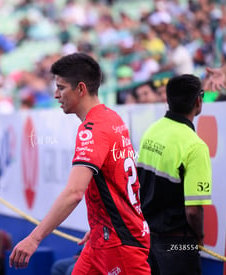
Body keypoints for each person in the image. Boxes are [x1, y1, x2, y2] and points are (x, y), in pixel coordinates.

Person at [9, 53, 151, 274]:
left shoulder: (92, 129)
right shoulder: (112, 118)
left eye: (61, 87)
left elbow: (74, 192)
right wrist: (100, 225)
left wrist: (34, 238)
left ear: (81, 89)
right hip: (103, 237)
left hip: (119, 243)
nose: (56, 95)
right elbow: (118, 181)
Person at [137, 74, 212, 275]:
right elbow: (193, 211)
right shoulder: (195, 146)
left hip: (147, 240)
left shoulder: (151, 131)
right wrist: (199, 237)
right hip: (178, 244)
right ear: (198, 101)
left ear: (167, 100)